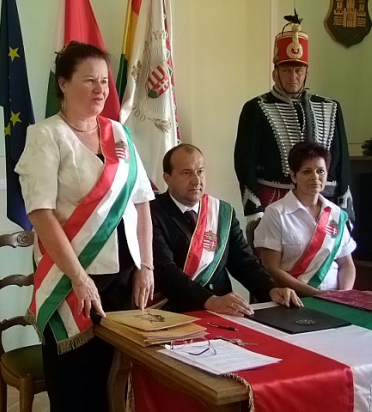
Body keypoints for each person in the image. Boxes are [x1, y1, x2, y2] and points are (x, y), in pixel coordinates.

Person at [14, 41, 154, 412]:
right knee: (76, 388)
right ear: (63, 83)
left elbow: (141, 202)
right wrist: (78, 278)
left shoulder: (119, 133)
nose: (100, 89)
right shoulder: (46, 136)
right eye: (89, 80)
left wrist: (147, 266)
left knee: (118, 385)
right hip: (72, 280)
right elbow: (40, 213)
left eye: (104, 81)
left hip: (124, 279)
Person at [234, 13, 353, 246]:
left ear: (307, 73)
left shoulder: (331, 107)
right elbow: (244, 161)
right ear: (275, 73)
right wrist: (253, 208)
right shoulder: (256, 108)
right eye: (286, 70)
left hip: (323, 199)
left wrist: (345, 205)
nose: (293, 77)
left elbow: (342, 160)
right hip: (276, 197)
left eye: (298, 71)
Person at [151, 144, 301, 316]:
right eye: (186, 173)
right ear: (167, 178)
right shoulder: (150, 213)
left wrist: (271, 289)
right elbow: (165, 272)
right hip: (174, 311)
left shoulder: (222, 212)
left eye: (200, 171)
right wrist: (211, 301)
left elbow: (244, 263)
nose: (196, 181)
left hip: (223, 310)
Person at [254, 141, 356, 297]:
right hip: (297, 299)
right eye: (307, 172)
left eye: (320, 171)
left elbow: (346, 264)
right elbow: (271, 268)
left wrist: (344, 296)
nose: (315, 177)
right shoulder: (276, 213)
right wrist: (316, 294)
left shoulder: (336, 214)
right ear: (294, 176)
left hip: (335, 299)